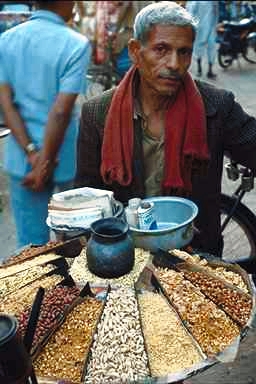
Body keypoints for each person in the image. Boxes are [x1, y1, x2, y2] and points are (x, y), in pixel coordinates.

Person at [75, 1, 256, 258]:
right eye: (161, 49)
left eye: (184, 52)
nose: (174, 63)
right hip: (125, 259)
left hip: (196, 258)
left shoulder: (216, 106)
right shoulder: (97, 113)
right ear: (136, 52)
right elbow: (87, 199)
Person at [0, 1, 91, 247]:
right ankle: (68, 286)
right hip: (63, 158)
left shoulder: (6, 40)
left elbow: (6, 104)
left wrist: (33, 154)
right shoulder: (75, 44)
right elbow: (61, 111)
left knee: (31, 247)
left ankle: (36, 286)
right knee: (74, 241)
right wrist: (46, 161)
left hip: (23, 161)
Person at [186, 1, 219, 79]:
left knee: (212, 47)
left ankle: (210, 70)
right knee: (198, 48)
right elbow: (190, 13)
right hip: (200, 28)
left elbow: (216, 13)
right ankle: (199, 68)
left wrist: (216, 24)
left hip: (211, 27)